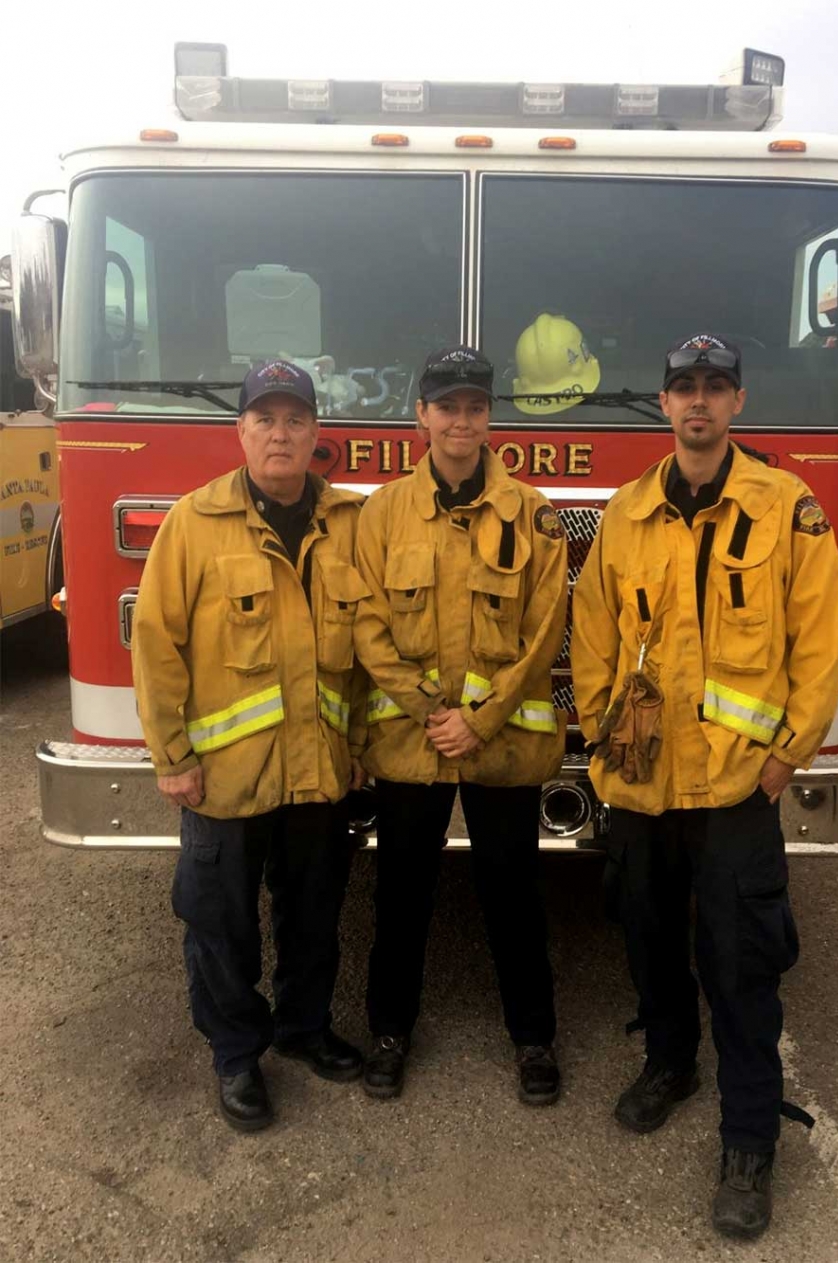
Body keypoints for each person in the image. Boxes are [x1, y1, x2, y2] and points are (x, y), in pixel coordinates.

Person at [571, 333, 838, 1239]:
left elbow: (820, 643)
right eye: (683, 387)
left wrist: (785, 756)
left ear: (736, 402)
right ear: (663, 404)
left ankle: (749, 1140)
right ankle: (669, 1060)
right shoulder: (626, 512)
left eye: (715, 387)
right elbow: (595, 639)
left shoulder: (787, 508)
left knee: (741, 967)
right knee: (648, 940)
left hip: (736, 790)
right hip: (644, 786)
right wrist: (610, 751)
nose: (698, 402)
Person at [132, 360, 369, 1132]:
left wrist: (360, 743)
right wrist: (173, 757)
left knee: (314, 914)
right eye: (264, 418)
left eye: (295, 418)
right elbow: (157, 645)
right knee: (221, 923)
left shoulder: (351, 523)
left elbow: (371, 649)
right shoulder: (193, 524)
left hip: (319, 772)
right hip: (225, 780)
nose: (280, 432)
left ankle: (304, 1030)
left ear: (315, 433)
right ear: (240, 432)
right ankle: (236, 1054)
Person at [352, 346, 567, 1104]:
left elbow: (546, 627)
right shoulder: (380, 514)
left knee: (514, 893)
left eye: (475, 406)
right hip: (412, 747)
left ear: (489, 416)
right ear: (422, 414)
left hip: (499, 745)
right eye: (447, 406)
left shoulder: (531, 511)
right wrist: (430, 713)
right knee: (400, 893)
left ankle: (534, 1038)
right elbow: (369, 625)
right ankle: (389, 1031)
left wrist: (480, 719)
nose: (462, 421)